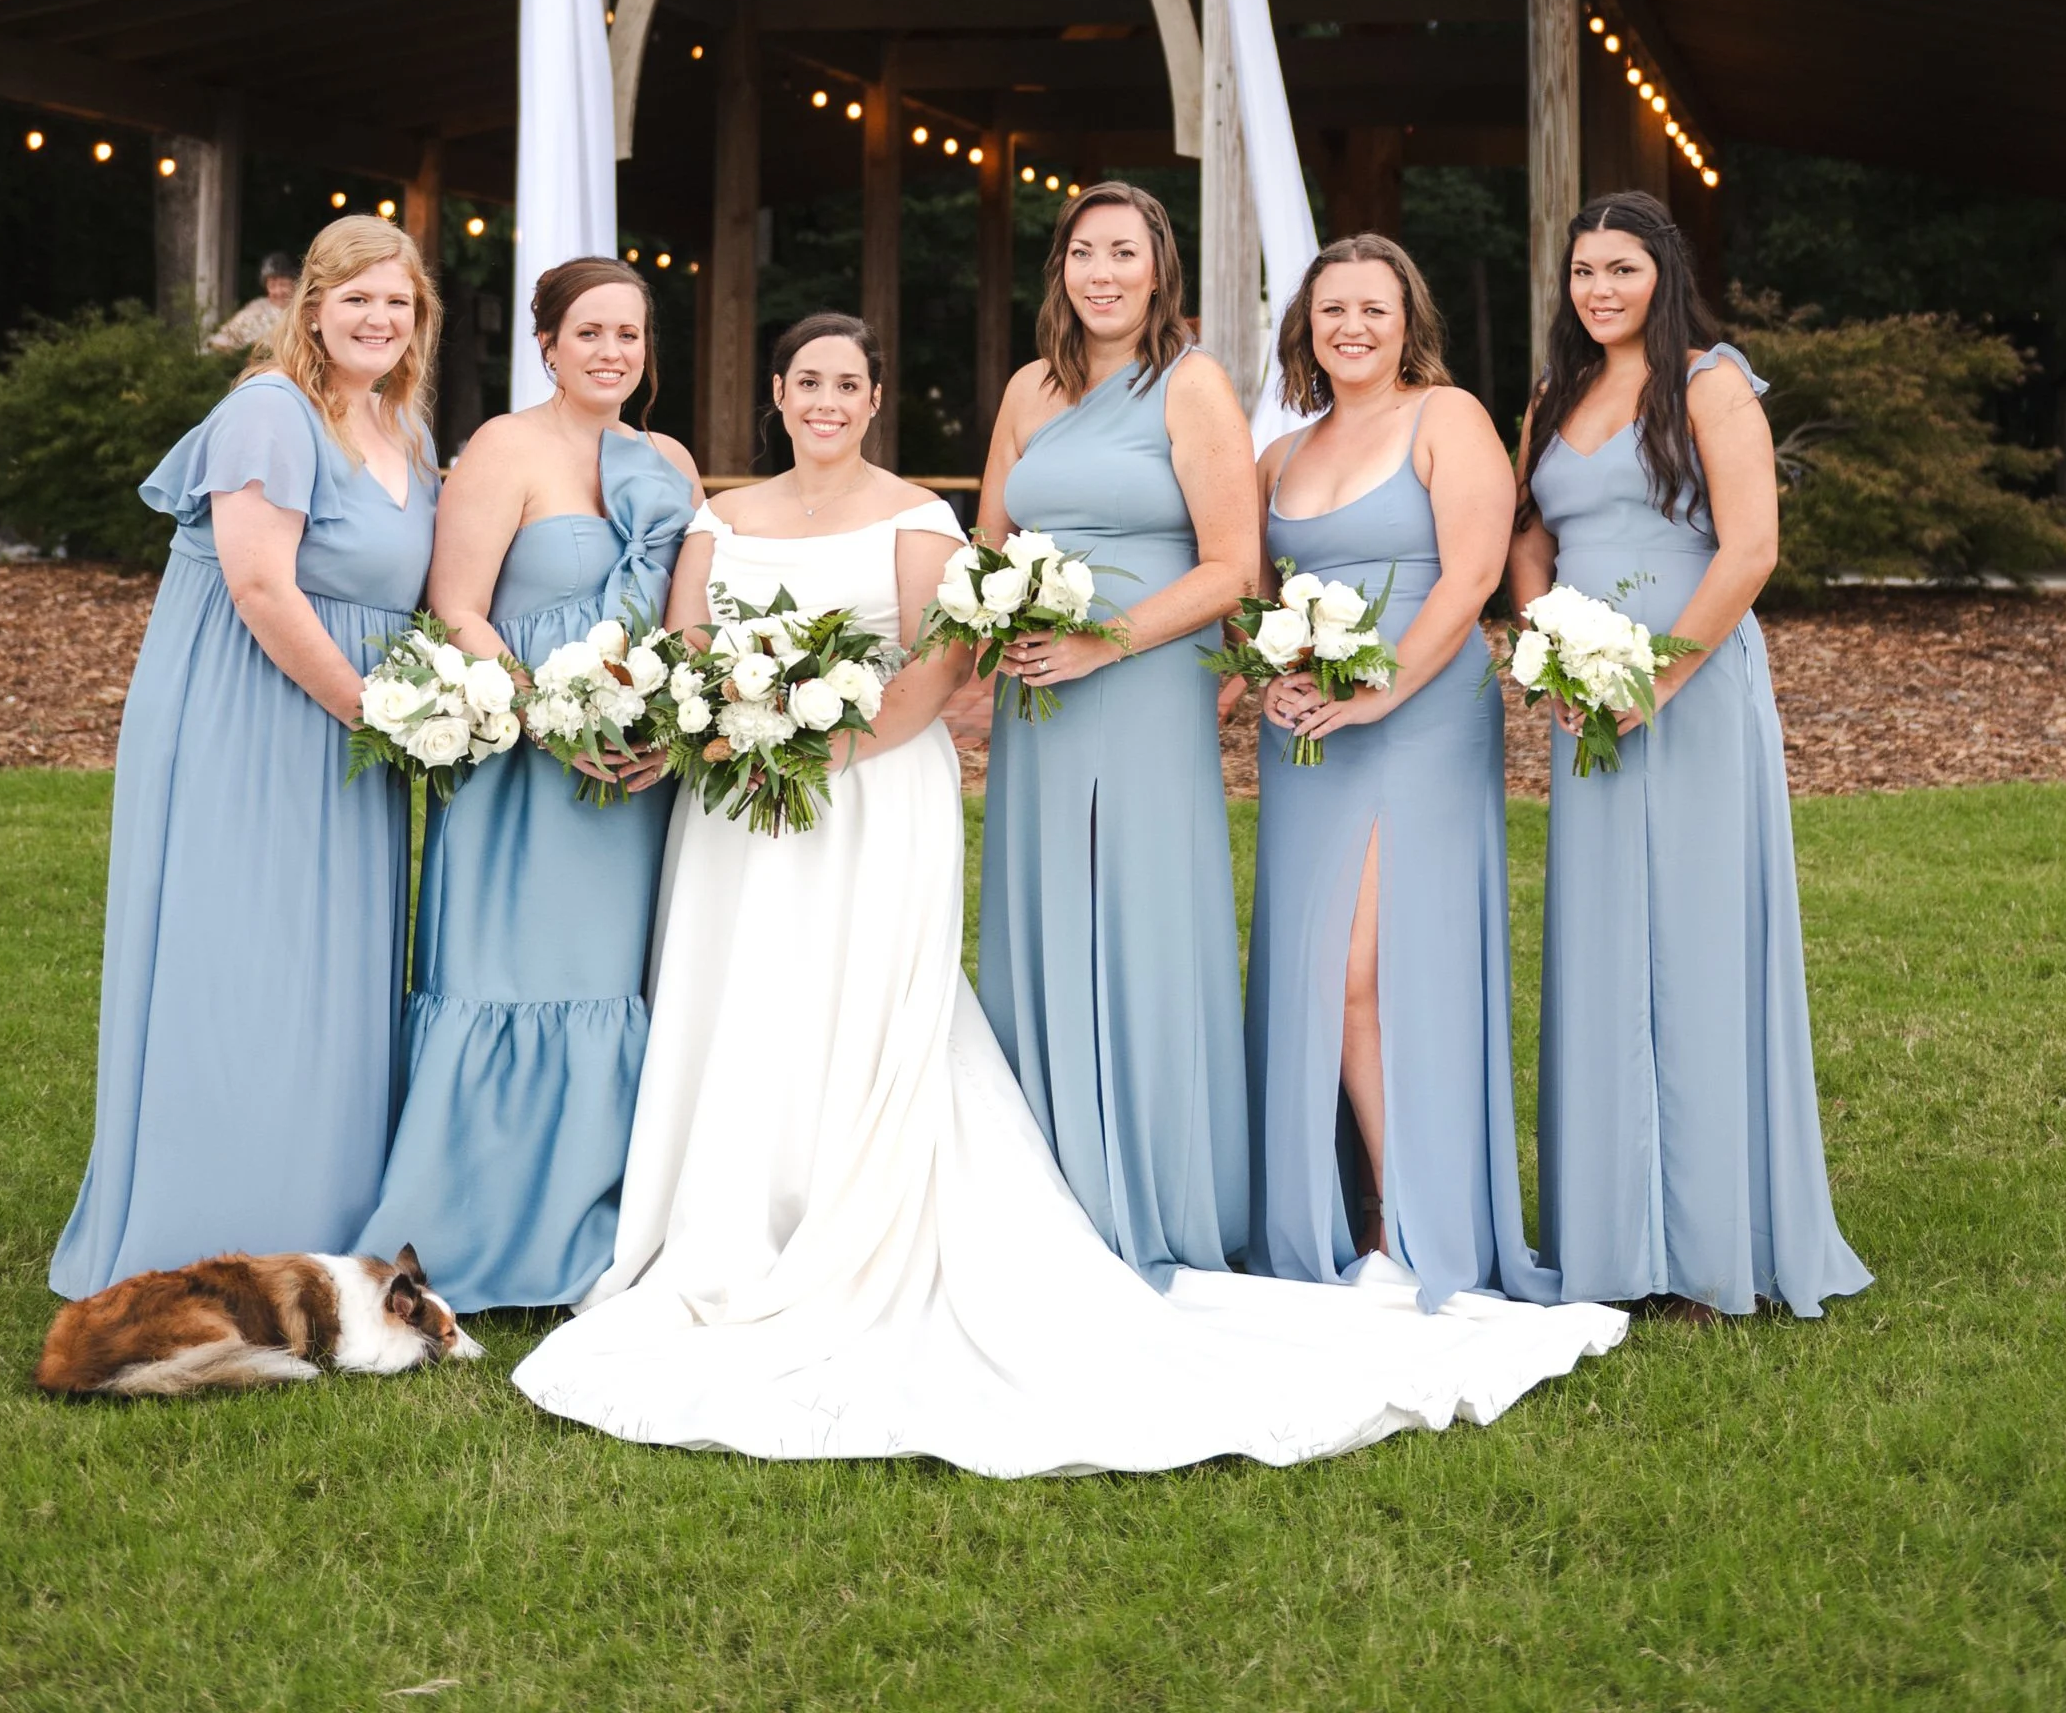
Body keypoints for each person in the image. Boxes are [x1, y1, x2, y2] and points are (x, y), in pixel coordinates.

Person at [512, 313, 1625, 1471]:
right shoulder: (724, 517)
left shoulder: (921, 510)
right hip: (736, 800)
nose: (828, 401)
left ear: (877, 397)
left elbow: (945, 652)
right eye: (808, 383)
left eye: (850, 381)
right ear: (778, 398)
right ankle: (727, 1219)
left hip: (871, 782)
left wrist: (830, 743)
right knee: (743, 1000)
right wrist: (734, 727)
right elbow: (694, 646)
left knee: (880, 992)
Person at [51, 217, 439, 1294]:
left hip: (350, 732)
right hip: (253, 714)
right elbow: (261, 587)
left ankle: (315, 1211)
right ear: (308, 306)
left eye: (397, 303)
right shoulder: (271, 414)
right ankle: (206, 1219)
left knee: (331, 961)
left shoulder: (402, 425)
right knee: (244, 954)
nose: (377, 319)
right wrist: (376, 712)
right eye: (356, 298)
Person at [1514, 189, 1871, 1322]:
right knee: (1603, 943)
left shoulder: (1710, 382)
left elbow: (1752, 544)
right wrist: (1548, 648)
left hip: (1694, 687)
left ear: (1662, 275)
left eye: (1621, 269)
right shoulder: (1552, 394)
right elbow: (1527, 533)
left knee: (1701, 944)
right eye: (1584, 272)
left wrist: (1656, 675)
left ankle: (1718, 1243)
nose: (1600, 290)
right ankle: (1614, 1243)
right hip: (1585, 701)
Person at [362, 257, 701, 1308]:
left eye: (630, 335)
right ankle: (464, 1232)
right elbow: (456, 604)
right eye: (589, 332)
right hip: (524, 769)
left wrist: (671, 726)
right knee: (509, 981)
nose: (612, 352)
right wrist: (544, 716)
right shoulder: (506, 448)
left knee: (614, 987)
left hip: (633, 779)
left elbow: (692, 611)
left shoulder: (669, 459)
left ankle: (600, 1230)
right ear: (546, 344)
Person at [1246, 234, 1555, 1306]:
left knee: (1367, 973)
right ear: (1307, 328)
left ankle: (1407, 1218)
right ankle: (1353, 1204)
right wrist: (1270, 678)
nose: (1353, 329)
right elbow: (1256, 601)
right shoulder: (1281, 458)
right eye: (1333, 311)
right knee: (1315, 970)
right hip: (1311, 737)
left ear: (1407, 319)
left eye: (1374, 310)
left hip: (1418, 719)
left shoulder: (1448, 417)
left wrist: (1378, 694)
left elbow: (1472, 577)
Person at [973, 183, 1257, 1283]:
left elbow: (1233, 565)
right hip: (1039, 693)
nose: (1101, 273)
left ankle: (1156, 1184)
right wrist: (993, 632)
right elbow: (988, 546)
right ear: (1062, 268)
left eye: (1123, 253)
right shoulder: (1028, 391)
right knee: (1043, 908)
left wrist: (1109, 642)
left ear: (1158, 269)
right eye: (1083, 252)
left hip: (1141, 681)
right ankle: (1043, 1182)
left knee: (1139, 909)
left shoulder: (1191, 384)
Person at [209, 249, 298, 354]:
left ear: (294, 284)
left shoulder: (303, 310)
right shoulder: (256, 311)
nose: (278, 291)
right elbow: (222, 341)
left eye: (283, 284)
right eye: (272, 286)